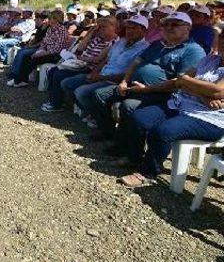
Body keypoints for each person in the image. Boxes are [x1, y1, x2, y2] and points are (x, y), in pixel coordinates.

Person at [89, 12, 206, 165]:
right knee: (99, 95)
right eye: (166, 24)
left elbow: (180, 83)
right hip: (136, 87)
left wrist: (147, 89)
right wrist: (124, 81)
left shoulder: (193, 50)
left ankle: (133, 155)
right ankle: (113, 137)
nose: (169, 27)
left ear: (188, 28)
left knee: (129, 106)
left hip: (165, 95)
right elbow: (136, 62)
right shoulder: (158, 44)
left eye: (175, 24)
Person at [119, 30, 224, 187]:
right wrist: (201, 93)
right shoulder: (211, 59)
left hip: (209, 118)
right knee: (138, 117)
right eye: (222, 37)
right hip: (180, 104)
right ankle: (134, 158)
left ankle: (148, 173)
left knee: (163, 131)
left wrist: (187, 81)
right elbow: (179, 81)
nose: (222, 41)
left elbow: (218, 90)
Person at [66, 15, 150, 125]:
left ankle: (99, 119)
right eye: (128, 28)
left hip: (115, 81)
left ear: (143, 30)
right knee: (68, 83)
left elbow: (129, 74)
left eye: (134, 28)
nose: (129, 31)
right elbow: (106, 60)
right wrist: (94, 73)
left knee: (82, 92)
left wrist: (100, 77)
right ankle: (93, 113)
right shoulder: (121, 42)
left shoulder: (145, 48)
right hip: (101, 74)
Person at [41, 16, 119, 112]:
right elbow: (80, 48)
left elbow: (97, 59)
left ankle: (56, 104)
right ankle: (55, 100)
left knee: (59, 74)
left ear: (114, 27)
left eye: (104, 27)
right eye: (100, 27)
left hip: (91, 68)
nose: (101, 30)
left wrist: (79, 58)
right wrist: (91, 32)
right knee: (52, 71)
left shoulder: (114, 43)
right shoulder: (98, 38)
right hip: (81, 64)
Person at [7, 9, 69, 88]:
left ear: (56, 20)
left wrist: (41, 53)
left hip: (55, 55)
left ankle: (19, 80)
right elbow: (44, 42)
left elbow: (57, 49)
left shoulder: (62, 30)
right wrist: (39, 51)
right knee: (27, 57)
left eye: (50, 18)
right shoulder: (51, 29)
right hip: (46, 51)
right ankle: (20, 80)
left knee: (31, 59)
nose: (48, 20)